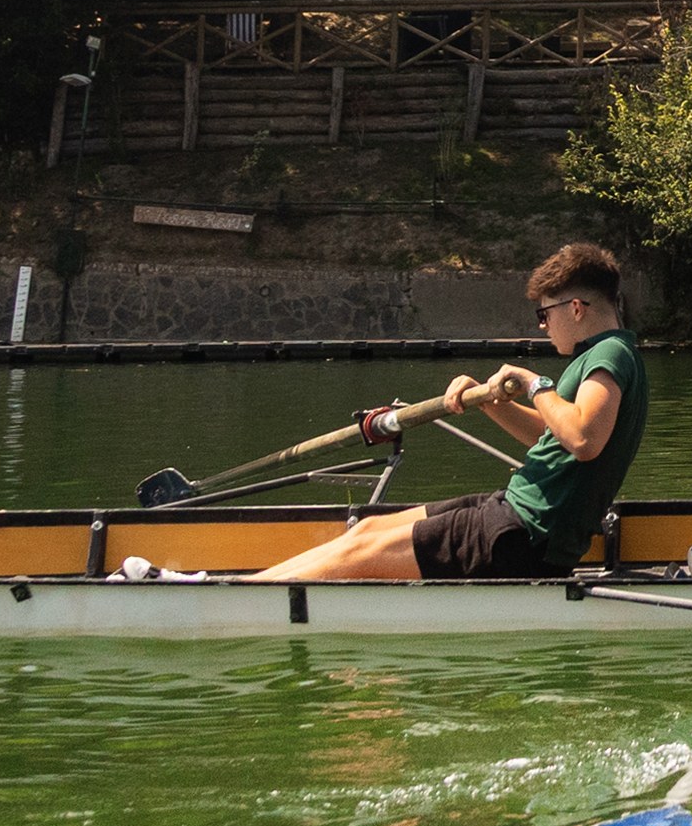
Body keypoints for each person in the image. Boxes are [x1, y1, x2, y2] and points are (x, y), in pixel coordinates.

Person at [256, 243, 645, 582]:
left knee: (361, 554)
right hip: (515, 515)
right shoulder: (605, 355)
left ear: (575, 309)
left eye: (543, 315)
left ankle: (241, 599)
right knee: (366, 530)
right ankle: (249, 584)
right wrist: (489, 401)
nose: (543, 326)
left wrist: (533, 382)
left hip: (527, 534)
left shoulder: (609, 354)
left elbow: (583, 439)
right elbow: (552, 434)